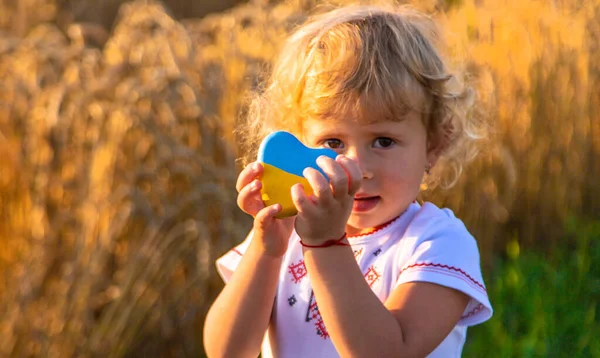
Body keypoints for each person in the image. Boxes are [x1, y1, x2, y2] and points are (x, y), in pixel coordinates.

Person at [203, 4, 493, 357]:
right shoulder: (288, 232)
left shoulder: (437, 244)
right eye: (332, 143)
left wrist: (326, 245)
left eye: (383, 141)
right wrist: (265, 251)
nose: (357, 169)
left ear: (433, 145)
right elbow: (227, 351)